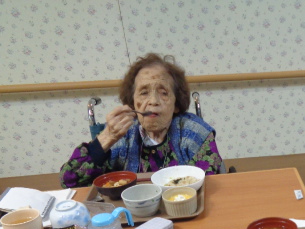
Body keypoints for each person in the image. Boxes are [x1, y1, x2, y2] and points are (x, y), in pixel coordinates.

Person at [60, 53, 224, 188]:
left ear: (176, 104)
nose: (153, 101)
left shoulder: (196, 133)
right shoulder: (121, 136)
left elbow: (208, 185)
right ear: (132, 102)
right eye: (144, 93)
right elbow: (69, 181)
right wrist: (107, 137)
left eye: (164, 93)